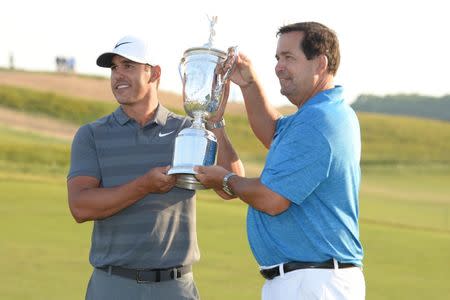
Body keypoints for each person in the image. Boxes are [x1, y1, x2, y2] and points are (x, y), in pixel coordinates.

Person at [195, 22, 365, 300]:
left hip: (313, 281)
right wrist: (249, 83)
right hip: (310, 278)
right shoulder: (321, 113)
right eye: (277, 58)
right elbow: (274, 134)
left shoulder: (318, 121)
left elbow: (272, 199)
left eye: (289, 58)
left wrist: (225, 179)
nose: (278, 66)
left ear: (320, 63)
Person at [67, 35, 244, 300]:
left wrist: (215, 123)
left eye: (128, 66)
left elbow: (232, 187)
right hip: (113, 284)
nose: (118, 75)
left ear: (155, 73)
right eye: (114, 68)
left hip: (175, 287)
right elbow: (80, 207)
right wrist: (144, 186)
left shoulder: (186, 130)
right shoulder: (92, 134)